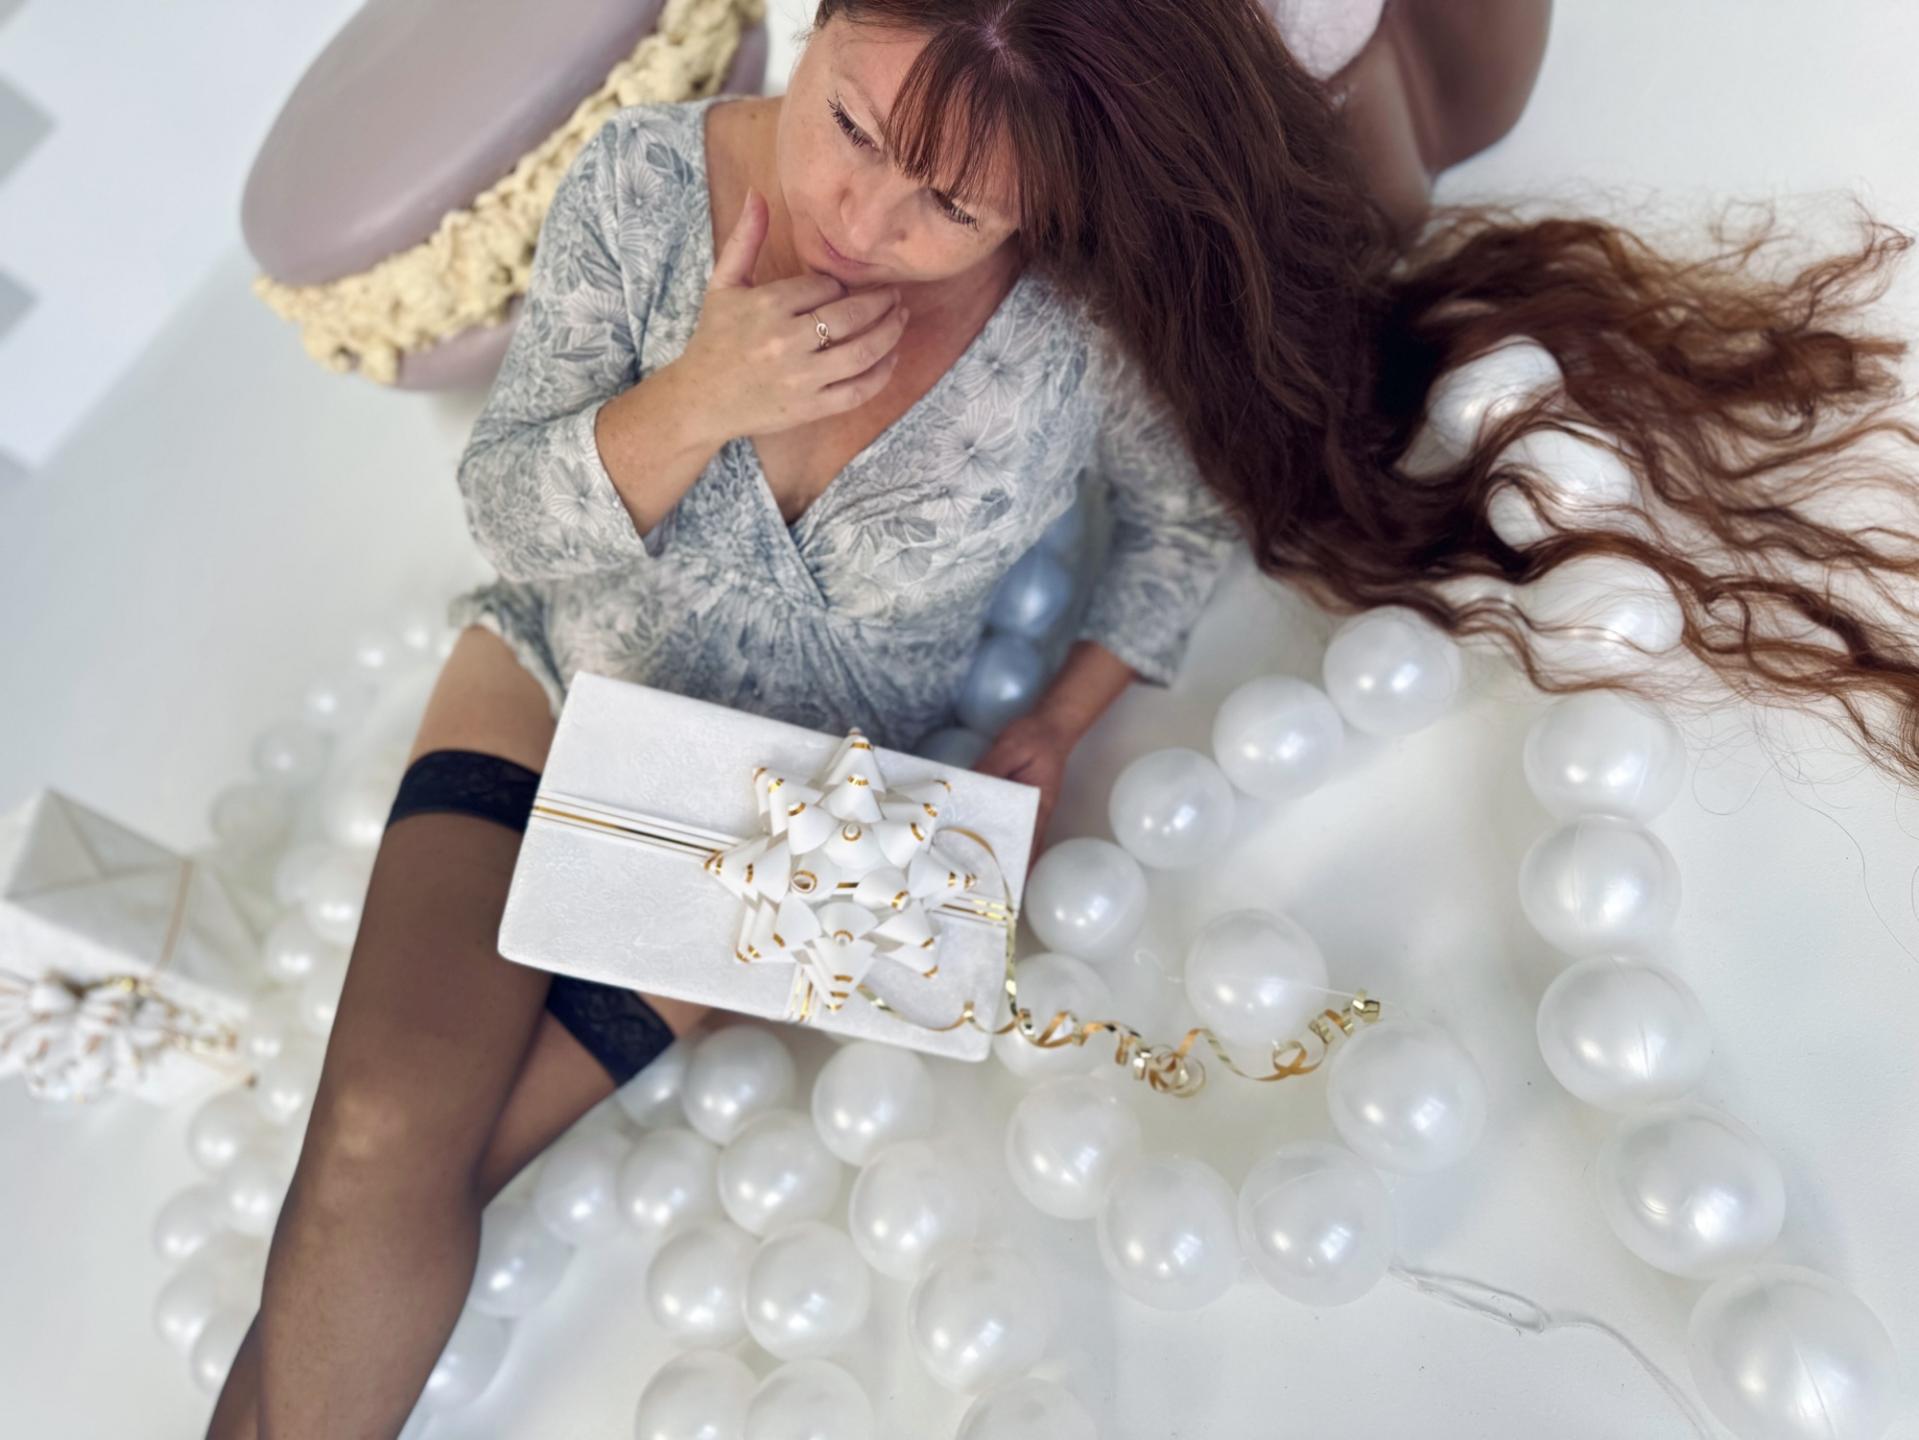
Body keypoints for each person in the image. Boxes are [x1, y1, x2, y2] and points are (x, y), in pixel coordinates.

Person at [209, 2, 1919, 1435]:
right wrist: (699, 398)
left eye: (948, 204)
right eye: (848, 121)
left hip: (781, 815)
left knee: (447, 1154)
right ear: (818, 25)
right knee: (378, 1136)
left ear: (1038, 209)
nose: (860, 213)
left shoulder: (1075, 336)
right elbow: (512, 515)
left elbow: (1181, 527)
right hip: (552, 675)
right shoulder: (643, 183)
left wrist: (1061, 717)